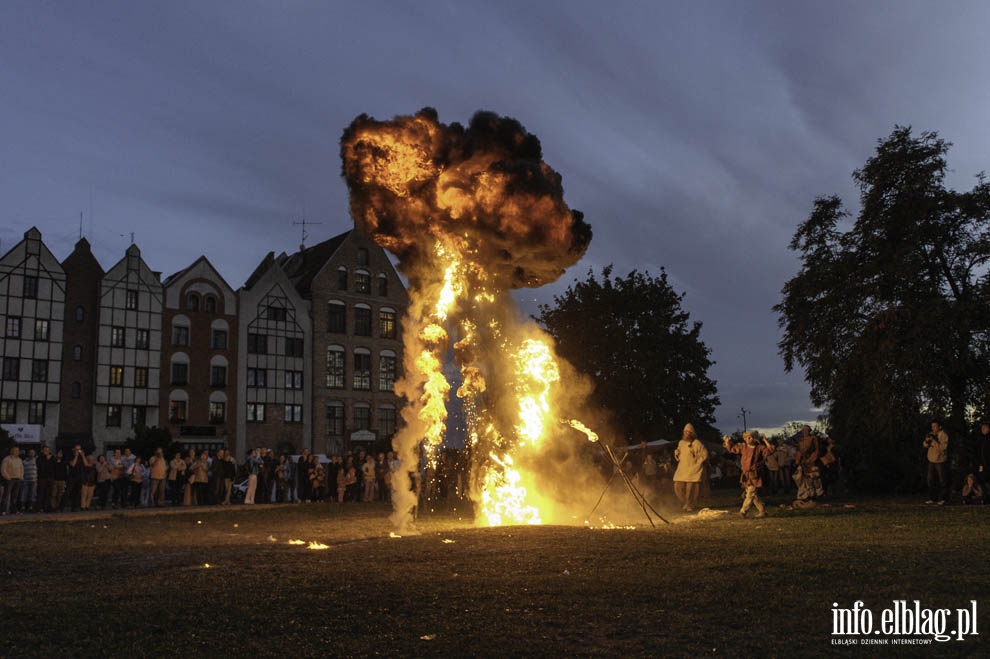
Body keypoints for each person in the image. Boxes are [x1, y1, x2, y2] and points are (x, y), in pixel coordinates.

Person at [724, 432, 775, 518]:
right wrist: (727, 441)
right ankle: (763, 511)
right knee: (753, 495)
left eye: (749, 438)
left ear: (754, 439)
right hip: (746, 474)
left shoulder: (759, 448)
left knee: (750, 493)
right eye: (746, 438)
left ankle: (743, 511)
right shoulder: (743, 447)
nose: (747, 440)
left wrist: (765, 440)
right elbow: (732, 448)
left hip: (755, 474)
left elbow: (770, 451)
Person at [673, 423, 708, 513]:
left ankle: (690, 505)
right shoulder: (681, 443)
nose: (686, 433)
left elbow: (705, 454)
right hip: (683, 468)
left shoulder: (697, 443)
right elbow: (679, 452)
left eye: (688, 432)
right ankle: (686, 502)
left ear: (692, 433)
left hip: (693, 469)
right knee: (678, 486)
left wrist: (697, 460)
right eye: (685, 431)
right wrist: (677, 453)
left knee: (691, 489)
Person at [793, 425, 823, 505]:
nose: (804, 432)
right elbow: (799, 451)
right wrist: (798, 460)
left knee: (814, 477)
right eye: (803, 430)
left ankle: (818, 494)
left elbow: (816, 450)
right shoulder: (801, 440)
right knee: (805, 478)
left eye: (806, 430)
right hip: (804, 462)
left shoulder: (813, 439)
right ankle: (808, 494)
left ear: (809, 431)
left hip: (812, 461)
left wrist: (811, 459)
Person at [923, 421, 950, 505]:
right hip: (931, 460)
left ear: (939, 426)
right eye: (932, 426)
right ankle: (932, 498)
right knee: (930, 480)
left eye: (935, 426)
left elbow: (943, 448)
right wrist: (927, 441)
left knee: (942, 480)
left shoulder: (943, 435)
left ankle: (944, 499)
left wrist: (935, 441)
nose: (933, 428)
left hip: (940, 461)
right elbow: (924, 445)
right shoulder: (930, 434)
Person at [1, 446, 24, 515]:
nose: (17, 452)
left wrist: (21, 476)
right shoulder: (7, 459)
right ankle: (3, 510)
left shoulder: (19, 460)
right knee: (6, 495)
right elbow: (3, 469)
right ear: (12, 451)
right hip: (10, 479)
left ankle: (14, 510)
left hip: (17, 479)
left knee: (15, 496)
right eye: (15, 451)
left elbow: (21, 468)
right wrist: (8, 477)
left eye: (18, 451)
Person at [19, 448, 37, 513]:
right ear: (28, 453)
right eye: (31, 452)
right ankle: (23, 507)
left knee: (32, 494)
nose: (32, 454)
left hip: (34, 480)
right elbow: (21, 470)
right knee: (24, 494)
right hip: (25, 480)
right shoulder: (24, 461)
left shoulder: (36, 460)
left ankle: (30, 507)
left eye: (33, 453)